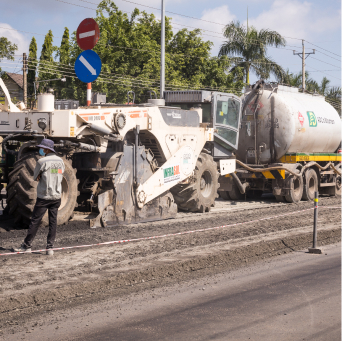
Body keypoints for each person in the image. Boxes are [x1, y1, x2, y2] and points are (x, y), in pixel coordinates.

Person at [13, 139, 65, 256]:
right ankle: (50, 248)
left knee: (35, 221)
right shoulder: (61, 161)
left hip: (44, 197)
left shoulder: (42, 162)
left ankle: (27, 246)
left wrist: (42, 175)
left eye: (42, 148)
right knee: (53, 222)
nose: (40, 150)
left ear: (47, 149)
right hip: (56, 197)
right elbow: (59, 172)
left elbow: (35, 177)